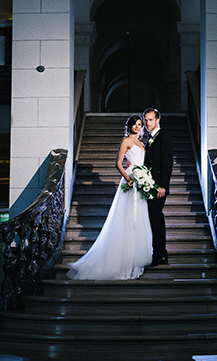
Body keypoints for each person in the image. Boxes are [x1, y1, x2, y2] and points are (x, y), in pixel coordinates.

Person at [66, 114, 153, 280]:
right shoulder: (126, 141)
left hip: (141, 182)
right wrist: (128, 179)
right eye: (135, 124)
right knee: (128, 220)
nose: (137, 126)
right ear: (130, 126)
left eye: (140, 124)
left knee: (139, 220)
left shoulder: (141, 143)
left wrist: (145, 178)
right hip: (130, 180)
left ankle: (136, 259)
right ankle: (123, 261)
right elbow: (118, 163)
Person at [143, 107, 173, 266]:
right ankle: (157, 253)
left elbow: (167, 164)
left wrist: (162, 186)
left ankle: (161, 254)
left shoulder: (164, 137)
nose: (148, 123)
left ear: (158, 120)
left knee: (156, 218)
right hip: (149, 186)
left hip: (158, 188)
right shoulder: (149, 139)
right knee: (153, 219)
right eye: (146, 120)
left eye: (151, 120)